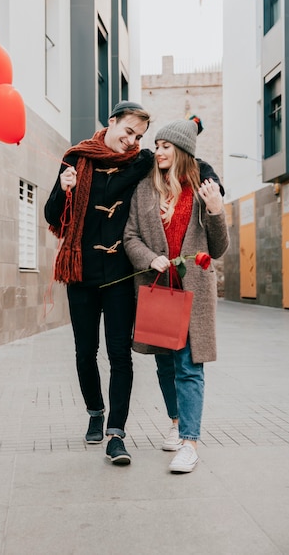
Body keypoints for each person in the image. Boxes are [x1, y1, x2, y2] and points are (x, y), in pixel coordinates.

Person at [44, 103, 224, 466]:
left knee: (136, 357)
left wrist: (214, 189)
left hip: (128, 279)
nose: (136, 142)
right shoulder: (78, 160)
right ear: (111, 122)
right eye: (130, 133)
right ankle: (99, 411)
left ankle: (123, 434)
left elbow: (190, 163)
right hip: (88, 273)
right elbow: (55, 218)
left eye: (141, 137)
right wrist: (65, 191)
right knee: (96, 353)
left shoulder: (141, 164)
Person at [123, 117, 229, 473]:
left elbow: (218, 248)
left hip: (193, 292)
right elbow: (130, 237)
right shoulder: (144, 190)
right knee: (164, 364)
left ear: (182, 150)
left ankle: (190, 442)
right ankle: (174, 421)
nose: (158, 152)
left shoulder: (203, 189)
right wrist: (150, 258)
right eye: (157, 146)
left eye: (166, 146)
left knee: (189, 366)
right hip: (159, 291)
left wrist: (215, 211)